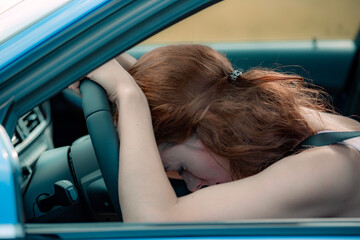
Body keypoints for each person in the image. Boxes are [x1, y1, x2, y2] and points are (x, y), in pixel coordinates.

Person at [71, 44, 360, 222]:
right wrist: (107, 55)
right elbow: (183, 106)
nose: (193, 186)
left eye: (181, 168)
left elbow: (153, 225)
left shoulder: (323, 169)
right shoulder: (290, 122)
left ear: (215, 130)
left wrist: (127, 93)